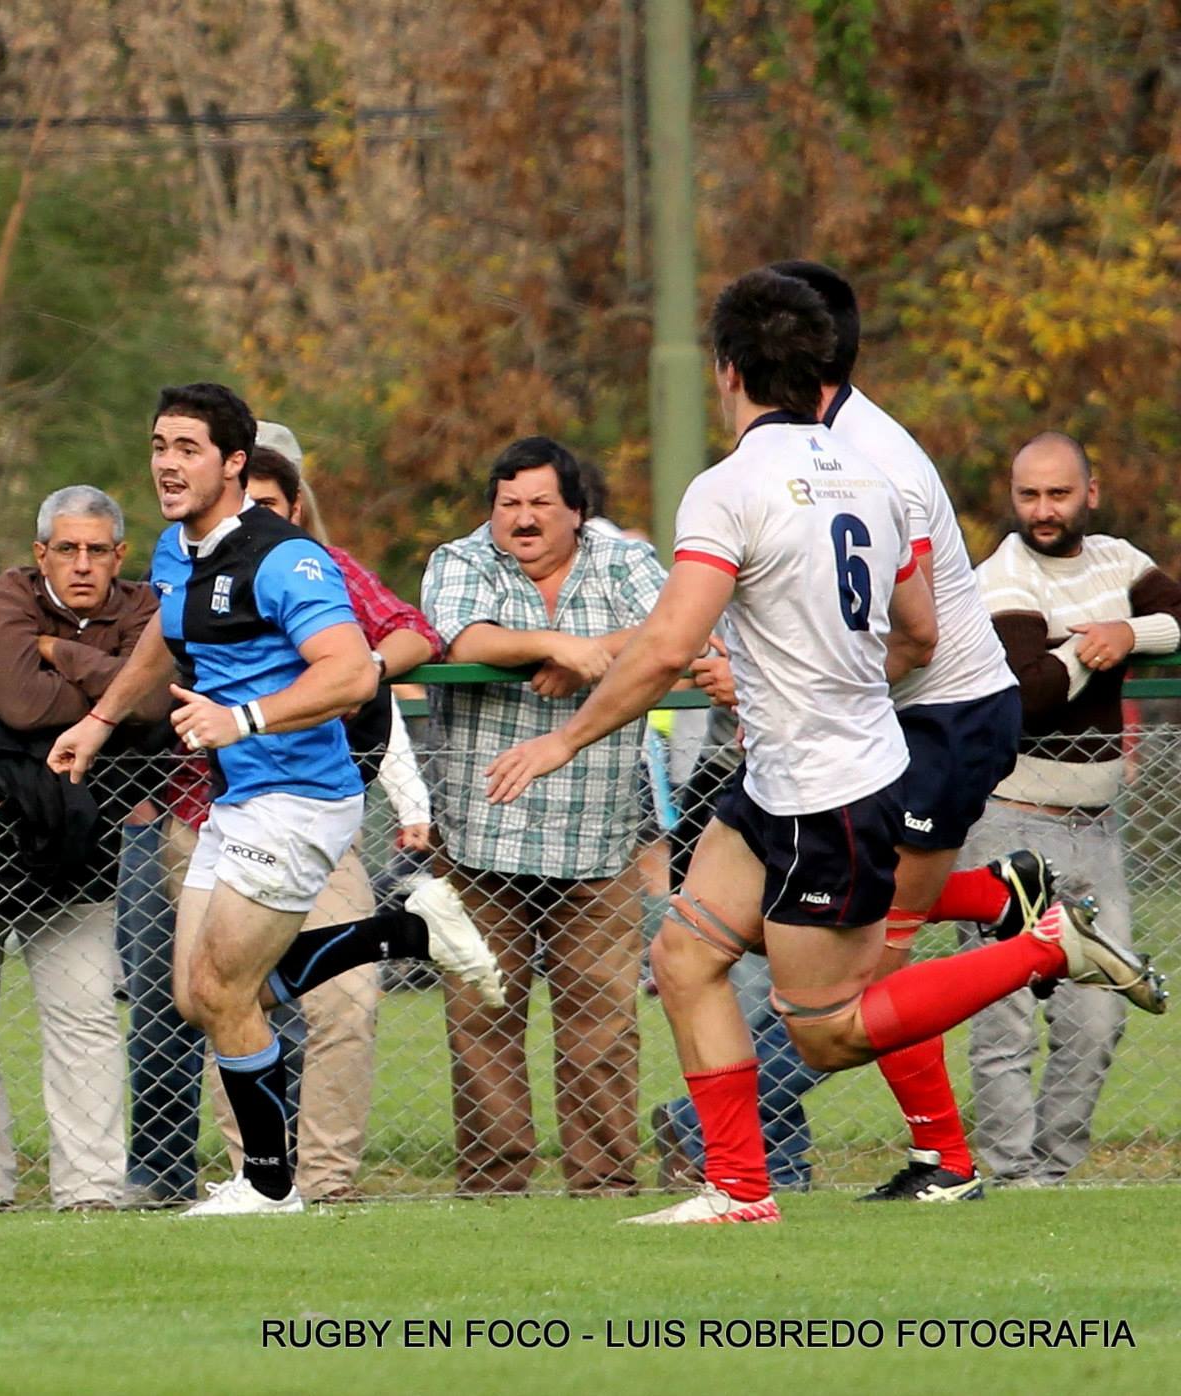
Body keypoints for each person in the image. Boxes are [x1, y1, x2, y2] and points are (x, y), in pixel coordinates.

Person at [486, 268, 1164, 1226]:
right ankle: (737, 1190)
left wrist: (566, 741)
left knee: (827, 1033)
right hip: (799, 772)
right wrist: (815, 677)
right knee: (684, 957)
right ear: (823, 371)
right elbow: (919, 632)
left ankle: (1040, 948)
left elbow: (672, 644)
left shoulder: (727, 490)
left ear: (727, 371)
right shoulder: (876, 478)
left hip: (823, 790)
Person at [48, 382, 504, 1217]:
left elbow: (350, 671)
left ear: (232, 462)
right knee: (201, 995)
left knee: (224, 993)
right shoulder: (177, 550)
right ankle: (405, 930)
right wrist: (102, 717)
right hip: (238, 799)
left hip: (300, 796)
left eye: (188, 448)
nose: (168, 464)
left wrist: (241, 718)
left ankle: (268, 1186)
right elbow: (164, 633)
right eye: (159, 446)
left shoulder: (285, 557)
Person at [658, 260, 1048, 1204]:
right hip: (867, 724)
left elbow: (916, 636)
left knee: (851, 995)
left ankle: (954, 1141)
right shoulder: (825, 450)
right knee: (698, 951)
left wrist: (784, 682)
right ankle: (997, 901)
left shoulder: (868, 462)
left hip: (934, 721)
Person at [420, 434, 667, 1196]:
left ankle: (603, 1189)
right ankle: (496, 1192)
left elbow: (675, 628)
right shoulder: (460, 561)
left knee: (602, 1029)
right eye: (508, 505)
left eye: (539, 505)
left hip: (598, 840)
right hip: (479, 839)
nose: (522, 520)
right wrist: (554, 644)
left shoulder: (621, 559)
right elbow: (465, 635)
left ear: (578, 511)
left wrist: (594, 649)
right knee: (482, 1024)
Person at [0, 485, 160, 1210]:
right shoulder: (5, 598)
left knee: (84, 1017)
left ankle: (89, 1192)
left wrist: (57, 652)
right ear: (40, 553)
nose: (81, 564)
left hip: (77, 845)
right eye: (66, 549)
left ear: (119, 555)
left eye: (96, 551)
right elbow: (21, 701)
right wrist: (104, 693)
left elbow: (152, 702)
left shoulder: (145, 608)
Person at [960, 430, 1181, 1184]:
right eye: (1029, 495)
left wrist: (1125, 633)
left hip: (1097, 826)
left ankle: (1053, 1175)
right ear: (1013, 498)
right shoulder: (1004, 574)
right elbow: (1031, 694)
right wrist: (1091, 651)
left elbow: (1178, 621)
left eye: (1058, 493)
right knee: (1005, 1015)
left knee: (1102, 1013)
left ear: (1091, 492)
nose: (1043, 509)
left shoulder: (1120, 561)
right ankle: (1011, 1174)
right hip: (1008, 821)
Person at [237, 434, 440, 1202]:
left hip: (316, 815)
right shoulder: (186, 570)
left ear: (295, 510)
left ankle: (324, 1184)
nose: (254, 519)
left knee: (348, 1003)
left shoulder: (322, 568)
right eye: (243, 505)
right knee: (221, 1000)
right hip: (212, 812)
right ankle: (253, 1180)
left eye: (269, 506)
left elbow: (416, 631)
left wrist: (365, 670)